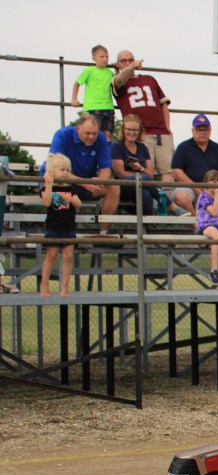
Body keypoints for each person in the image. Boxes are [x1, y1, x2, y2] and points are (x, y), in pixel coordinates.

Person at [112, 51, 181, 214]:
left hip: (161, 131)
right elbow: (120, 80)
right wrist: (131, 67)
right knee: (143, 170)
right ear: (118, 64)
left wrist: (167, 127)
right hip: (140, 133)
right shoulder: (117, 81)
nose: (128, 63)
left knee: (167, 170)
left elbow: (164, 104)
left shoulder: (149, 79)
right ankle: (160, 205)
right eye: (123, 61)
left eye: (130, 60)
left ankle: (166, 207)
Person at [42, 114, 119, 233]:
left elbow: (106, 169)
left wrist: (99, 182)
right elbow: (56, 169)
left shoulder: (101, 138)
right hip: (59, 183)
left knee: (113, 187)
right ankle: (61, 236)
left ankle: (105, 233)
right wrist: (85, 183)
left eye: (95, 133)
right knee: (61, 193)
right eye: (87, 133)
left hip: (83, 184)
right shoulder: (62, 135)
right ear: (78, 128)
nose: (91, 137)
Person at [171, 114, 218, 219]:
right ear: (193, 131)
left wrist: (212, 187)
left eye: (205, 129)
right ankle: (197, 223)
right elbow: (176, 171)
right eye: (199, 129)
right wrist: (195, 187)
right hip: (189, 187)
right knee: (180, 196)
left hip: (214, 187)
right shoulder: (183, 147)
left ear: (210, 131)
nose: (202, 132)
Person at [38, 154, 86, 297]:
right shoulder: (48, 189)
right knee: (51, 255)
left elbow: (79, 204)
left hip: (69, 228)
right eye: (62, 170)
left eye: (67, 170)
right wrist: (48, 185)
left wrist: (70, 199)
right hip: (54, 227)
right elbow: (46, 202)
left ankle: (64, 286)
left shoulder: (70, 189)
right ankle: (44, 285)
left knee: (68, 256)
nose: (65, 173)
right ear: (52, 172)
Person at [109, 113, 159, 216]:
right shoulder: (116, 146)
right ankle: (170, 204)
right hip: (121, 187)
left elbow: (150, 175)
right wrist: (140, 176)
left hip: (139, 186)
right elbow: (120, 174)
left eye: (135, 130)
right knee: (143, 178)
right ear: (123, 129)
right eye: (128, 129)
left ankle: (145, 229)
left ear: (139, 130)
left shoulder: (143, 147)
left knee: (146, 194)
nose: (131, 133)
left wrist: (140, 168)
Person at [70, 45, 115, 142]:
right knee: (94, 133)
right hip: (93, 107)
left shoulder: (110, 73)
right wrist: (74, 98)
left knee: (108, 134)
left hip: (108, 107)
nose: (105, 59)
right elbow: (77, 83)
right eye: (102, 56)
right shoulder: (89, 70)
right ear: (94, 58)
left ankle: (106, 155)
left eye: (107, 57)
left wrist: (117, 69)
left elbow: (117, 83)